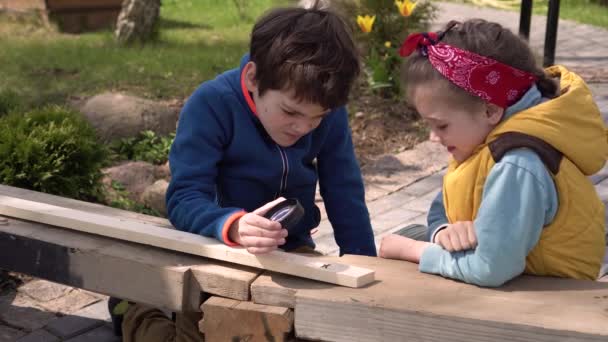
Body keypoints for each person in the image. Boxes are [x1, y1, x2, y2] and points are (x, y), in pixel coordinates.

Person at [110, 2, 377, 341]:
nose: (305, 128)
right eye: (291, 112)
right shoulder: (211, 104)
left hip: (291, 250)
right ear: (253, 78)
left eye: (318, 117)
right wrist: (233, 225)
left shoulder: (327, 110)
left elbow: (345, 193)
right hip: (214, 251)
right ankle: (134, 308)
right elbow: (184, 198)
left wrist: (366, 267)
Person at [380, 19, 607, 287]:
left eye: (441, 125)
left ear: (490, 110)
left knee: (399, 250)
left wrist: (414, 251)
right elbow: (445, 202)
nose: (433, 137)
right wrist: (444, 231)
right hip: (521, 279)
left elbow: (490, 268)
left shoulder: (518, 163)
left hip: (547, 299)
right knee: (411, 233)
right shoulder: (486, 137)